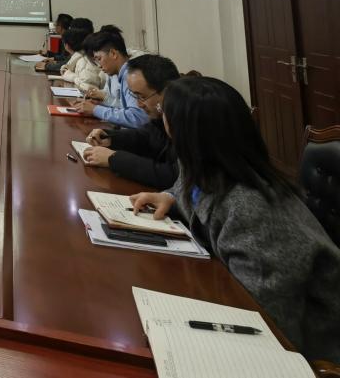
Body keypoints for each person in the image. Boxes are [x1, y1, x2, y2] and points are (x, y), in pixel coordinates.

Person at [129, 77, 340, 363]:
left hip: (312, 348)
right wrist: (170, 198)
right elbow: (188, 193)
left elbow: (268, 327)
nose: (158, 115)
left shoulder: (251, 207)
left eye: (164, 112)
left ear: (182, 130)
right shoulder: (204, 164)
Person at [80, 54, 180, 189]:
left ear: (166, 91)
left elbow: (173, 176)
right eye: (135, 96)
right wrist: (110, 138)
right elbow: (147, 136)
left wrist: (114, 158)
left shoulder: (188, 119)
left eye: (142, 97)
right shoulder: (161, 116)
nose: (138, 104)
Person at [72, 28, 147, 128]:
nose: (99, 65)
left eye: (99, 59)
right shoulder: (121, 73)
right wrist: (101, 104)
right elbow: (126, 108)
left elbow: (137, 118)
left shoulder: (132, 76)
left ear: (113, 54)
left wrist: (95, 110)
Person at [57, 26, 104, 92]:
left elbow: (89, 87)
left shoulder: (83, 61)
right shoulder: (79, 58)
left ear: (67, 45)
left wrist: (72, 77)